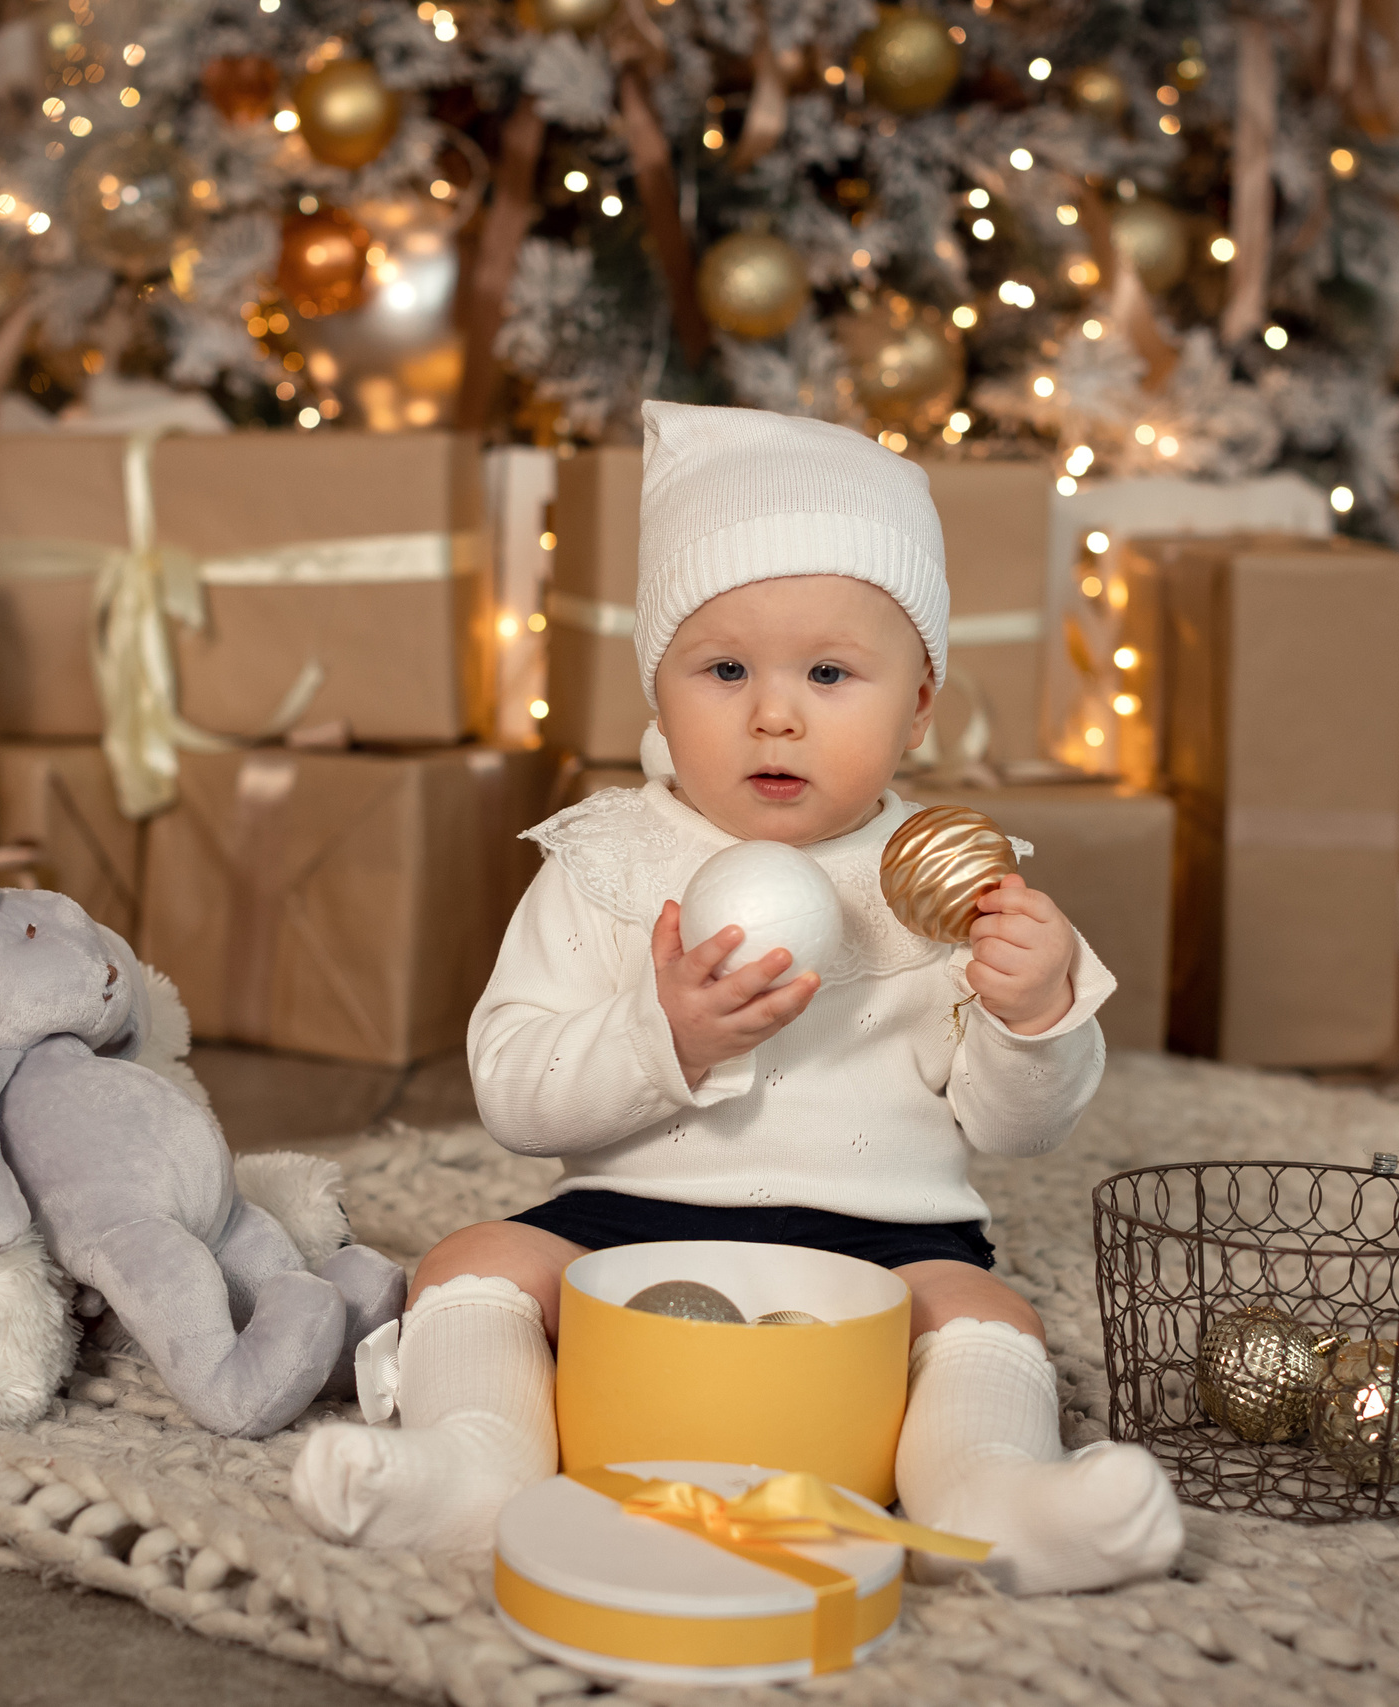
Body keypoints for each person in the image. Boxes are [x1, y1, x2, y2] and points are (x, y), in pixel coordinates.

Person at [290, 402, 1182, 1594]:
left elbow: (1015, 1130)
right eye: (723, 671)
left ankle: (998, 1499)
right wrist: (662, 1036)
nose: (775, 712)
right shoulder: (607, 863)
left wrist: (1034, 1012)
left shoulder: (947, 883)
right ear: (657, 694)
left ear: (918, 703)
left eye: (829, 673)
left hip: (887, 1241)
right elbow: (511, 1092)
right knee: (472, 1260)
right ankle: (472, 1466)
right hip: (629, 1223)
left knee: (982, 1316)